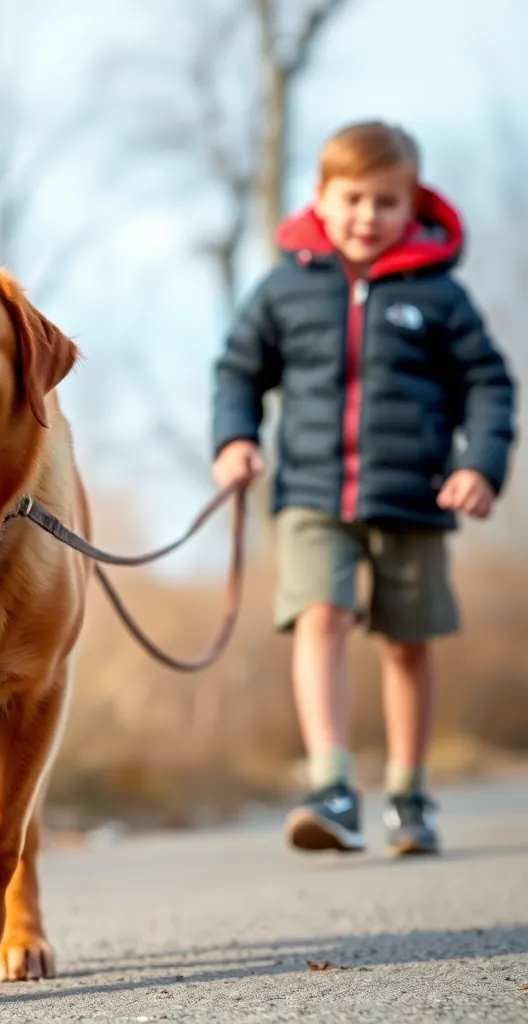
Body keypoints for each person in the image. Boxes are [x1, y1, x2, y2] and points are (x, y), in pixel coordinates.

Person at [210, 120, 517, 856]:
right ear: (321, 196)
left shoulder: (440, 297)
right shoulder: (287, 287)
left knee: (408, 645)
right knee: (321, 618)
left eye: (387, 202)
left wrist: (481, 465)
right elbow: (238, 370)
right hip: (312, 493)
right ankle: (333, 787)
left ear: (415, 206)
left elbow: (489, 384)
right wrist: (235, 439)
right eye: (353, 199)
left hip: (417, 495)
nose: (368, 216)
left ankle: (409, 796)